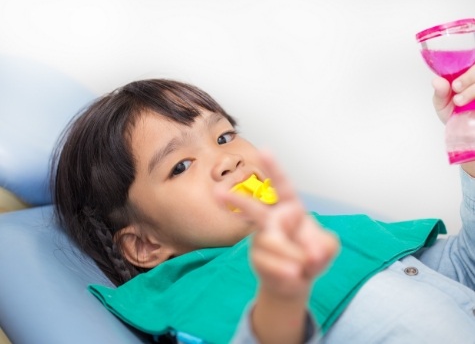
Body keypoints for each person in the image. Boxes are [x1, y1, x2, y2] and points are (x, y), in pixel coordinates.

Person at [52, 68, 475, 343]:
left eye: (223, 137)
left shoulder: (328, 235)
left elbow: (463, 273)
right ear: (146, 246)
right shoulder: (201, 296)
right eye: (181, 165)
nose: (227, 159)